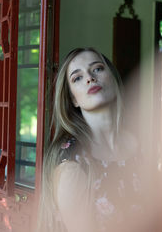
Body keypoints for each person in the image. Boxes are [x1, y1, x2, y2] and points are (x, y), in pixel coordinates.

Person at [37, 47, 144, 232]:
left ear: (113, 78)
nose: (90, 78)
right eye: (77, 78)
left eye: (97, 69)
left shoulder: (142, 143)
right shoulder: (71, 162)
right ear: (73, 99)